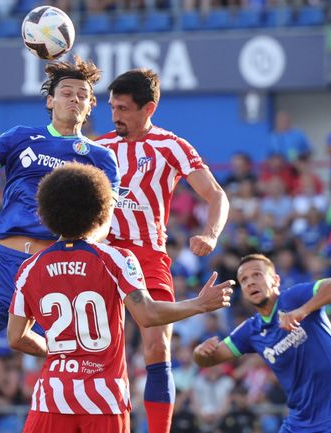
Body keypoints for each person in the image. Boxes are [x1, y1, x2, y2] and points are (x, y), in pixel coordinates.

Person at [0, 56, 121, 433]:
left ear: (92, 104)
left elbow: (104, 221)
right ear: (50, 100)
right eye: (66, 93)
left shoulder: (101, 158)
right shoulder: (19, 137)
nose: (75, 99)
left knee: (75, 361)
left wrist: (75, 250)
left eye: (83, 95)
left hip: (57, 266)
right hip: (5, 264)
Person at [7, 163, 234, 433]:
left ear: (46, 212)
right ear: (99, 210)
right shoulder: (116, 258)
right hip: (104, 401)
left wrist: (60, 353)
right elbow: (147, 315)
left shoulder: (30, 268)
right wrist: (198, 304)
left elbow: (16, 337)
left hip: (52, 399)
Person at [95, 68, 229, 433]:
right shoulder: (100, 147)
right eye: (112, 107)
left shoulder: (173, 146)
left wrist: (211, 234)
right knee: (100, 350)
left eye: (123, 108)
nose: (115, 116)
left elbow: (216, 195)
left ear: (148, 108)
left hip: (147, 256)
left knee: (156, 348)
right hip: (103, 253)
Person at [193, 253, 331, 433]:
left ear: (275, 280)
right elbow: (208, 359)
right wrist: (200, 352)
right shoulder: (250, 330)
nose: (250, 282)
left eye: (257, 275)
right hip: (298, 422)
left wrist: (302, 311)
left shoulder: (294, 297)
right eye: (243, 280)